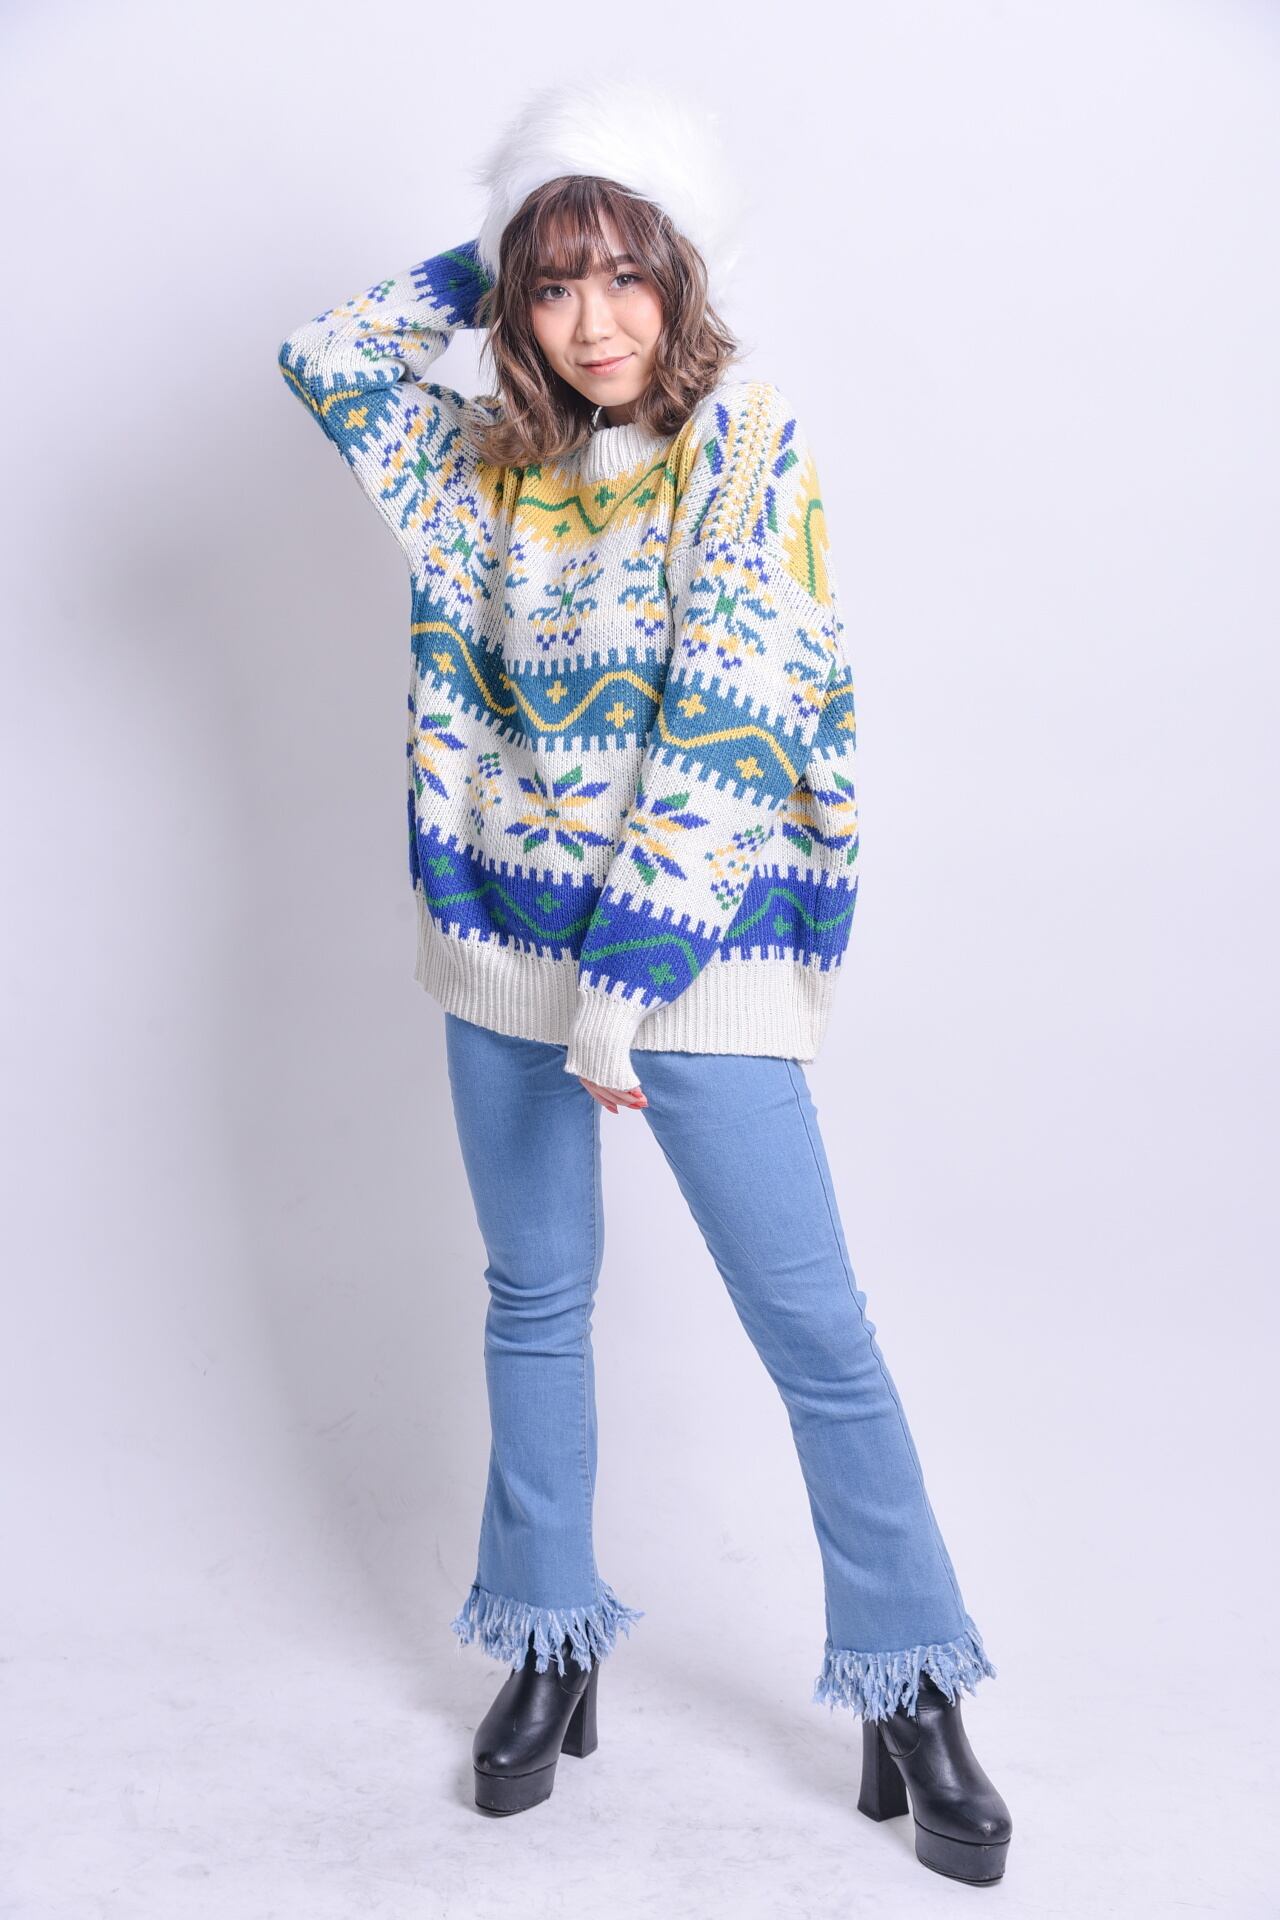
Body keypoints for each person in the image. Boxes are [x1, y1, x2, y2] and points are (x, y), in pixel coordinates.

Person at [277, 77, 1012, 1885]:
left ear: (688, 276)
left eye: (627, 272)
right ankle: (549, 1637)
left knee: (815, 1330)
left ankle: (910, 1684)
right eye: (551, 284)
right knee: (533, 1299)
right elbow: (327, 357)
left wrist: (628, 987)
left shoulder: (744, 445)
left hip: (697, 950)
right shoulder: (488, 465)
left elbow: (732, 720)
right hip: (501, 939)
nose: (591, 320)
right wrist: (519, 218)